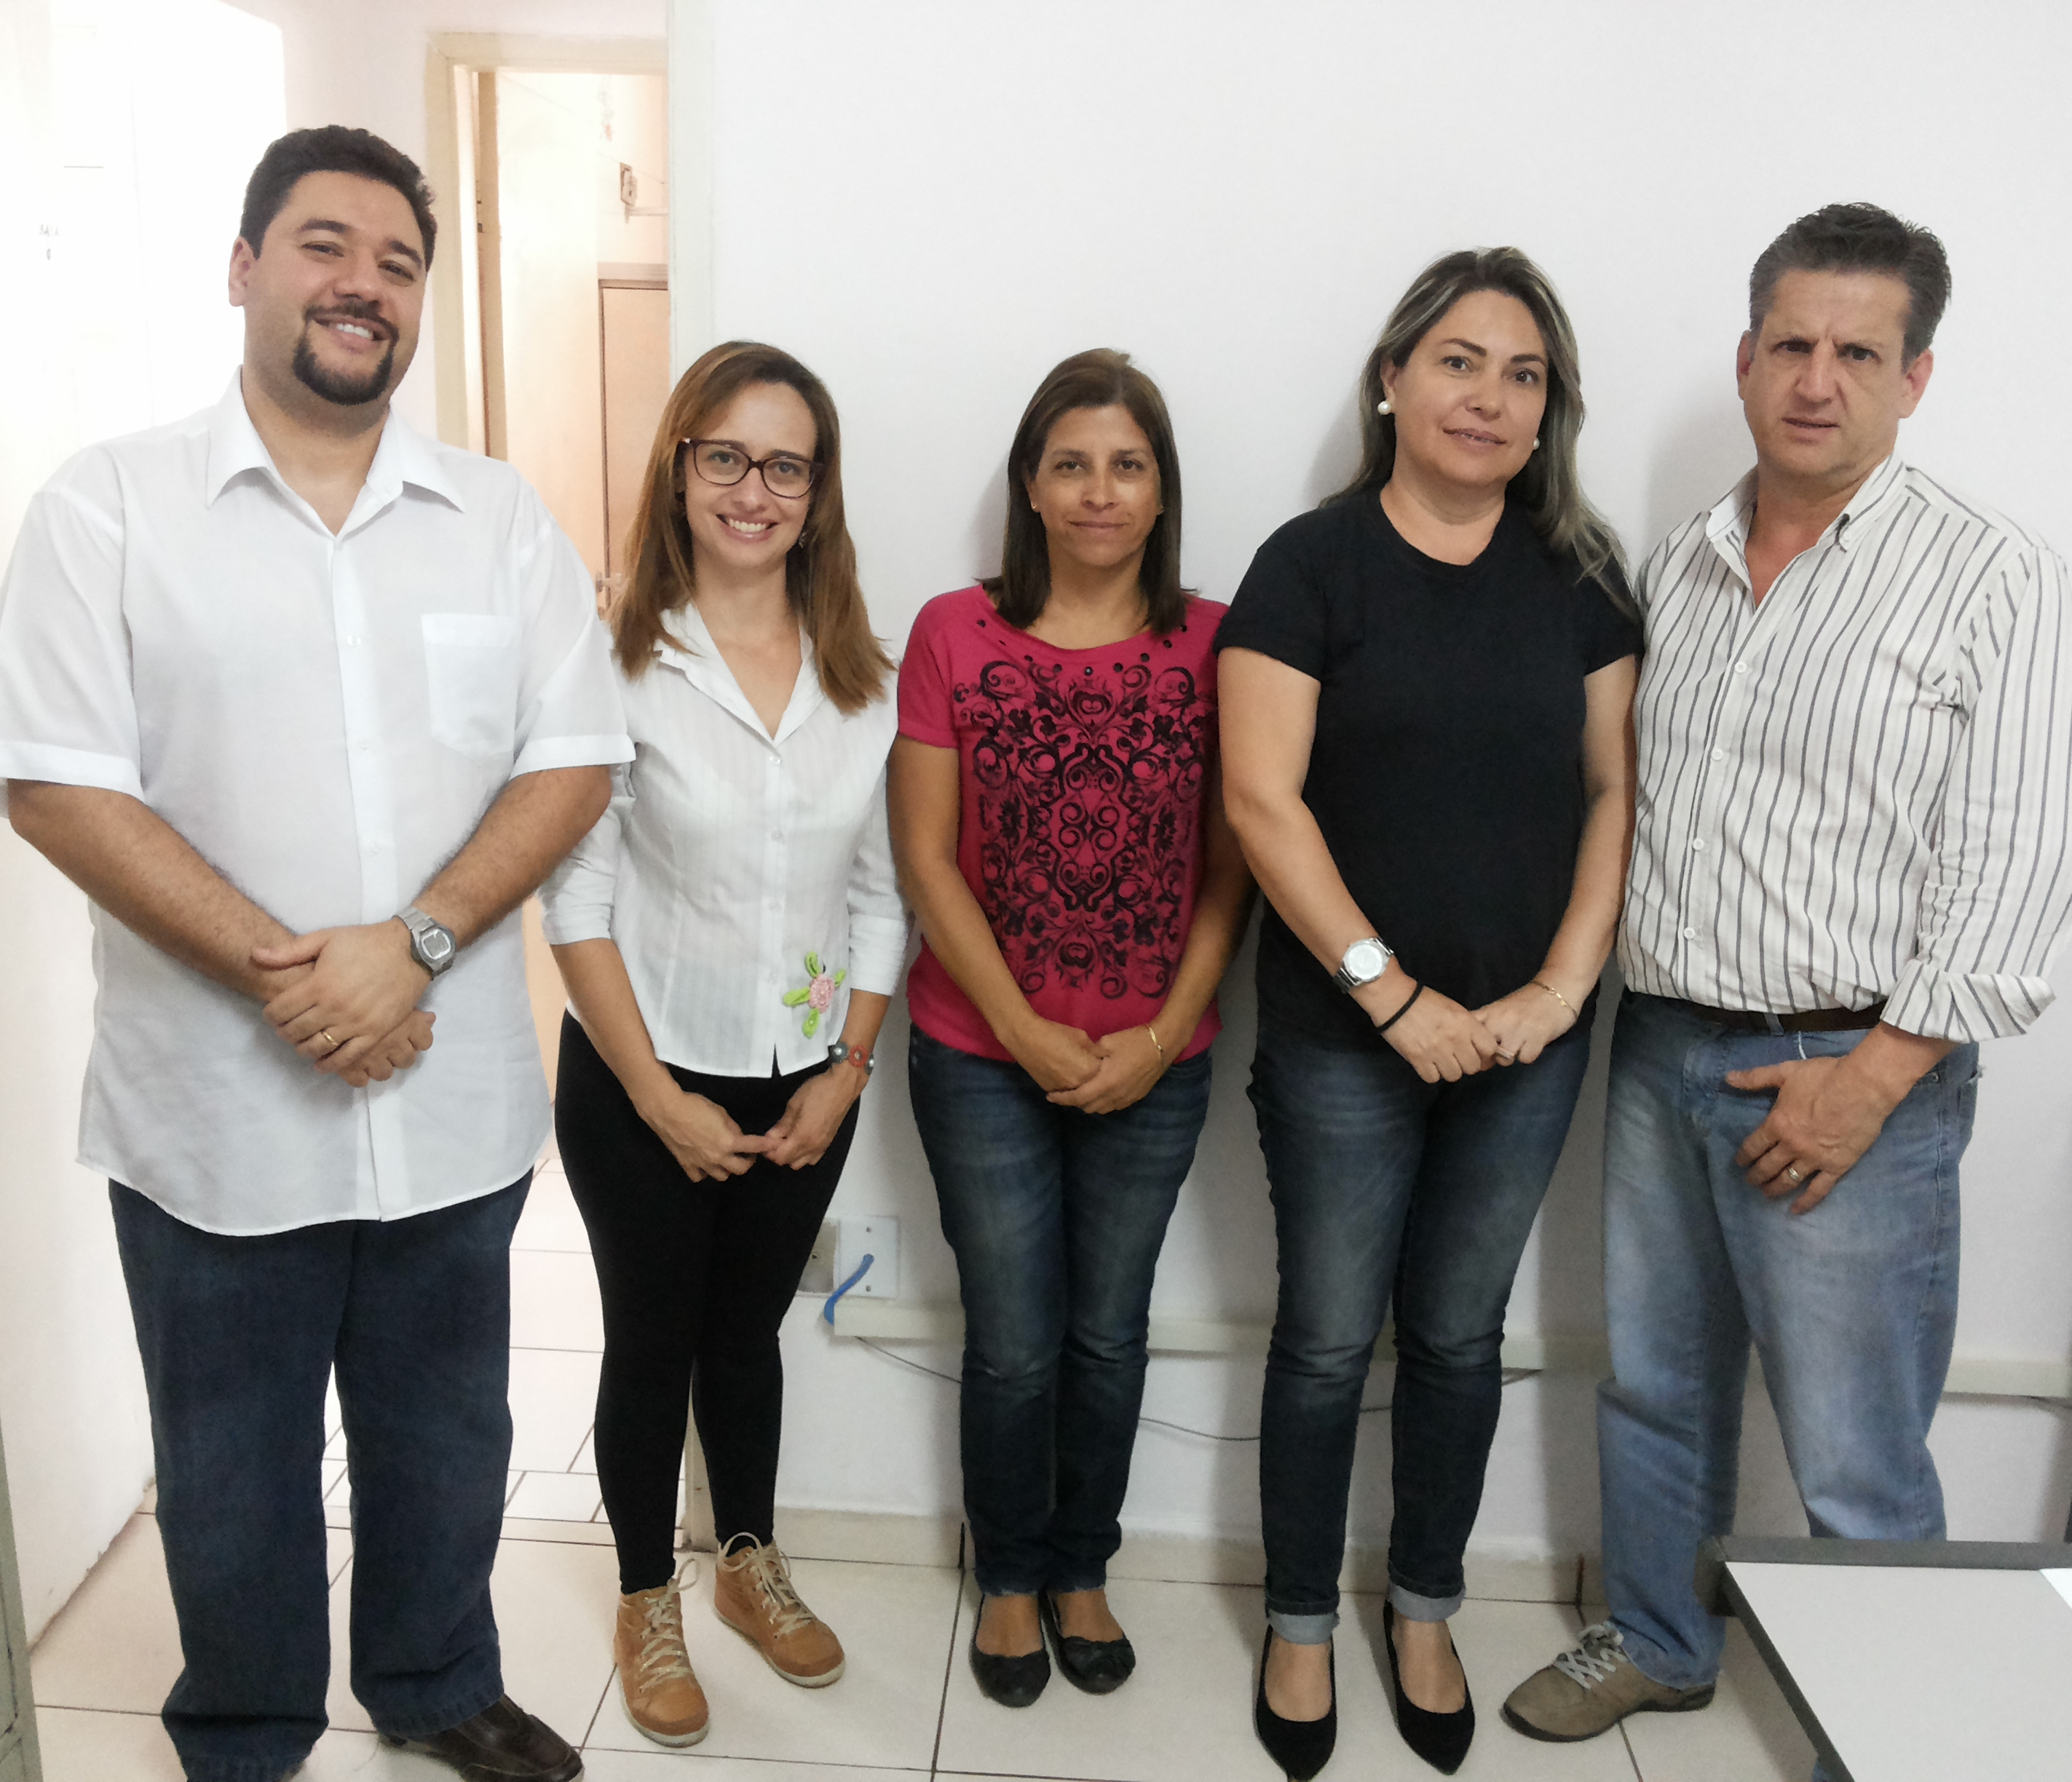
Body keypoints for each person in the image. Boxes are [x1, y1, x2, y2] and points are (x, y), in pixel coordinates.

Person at [0, 127, 624, 1781]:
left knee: (447, 1434)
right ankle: (249, 1730)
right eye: (326, 245)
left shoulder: (496, 519)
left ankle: (435, 1679)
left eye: (398, 263)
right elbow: (56, 783)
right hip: (213, 1119)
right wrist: (307, 978)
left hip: (449, 1106)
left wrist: (414, 947)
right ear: (245, 267)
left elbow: (574, 757)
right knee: (229, 1466)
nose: (364, 285)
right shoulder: (109, 507)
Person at [1500, 204, 2072, 1758]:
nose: (1818, 379)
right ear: (1746, 357)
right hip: (1663, 1047)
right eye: (1792, 343)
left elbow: (2022, 870)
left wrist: (1871, 1083)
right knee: (1654, 1386)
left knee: (1851, 1445)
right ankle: (1657, 1641)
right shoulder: (1684, 566)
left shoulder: (1997, 581)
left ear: (1916, 378)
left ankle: (1896, 1728)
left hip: (1857, 1070)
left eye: (1859, 352)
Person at [1217, 248, 1640, 1778]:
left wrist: (1558, 990)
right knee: (1330, 1340)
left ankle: (1424, 1609)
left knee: (1461, 1337)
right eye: (1461, 361)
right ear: (1392, 379)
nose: (1490, 397)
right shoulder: (1308, 565)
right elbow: (1261, 802)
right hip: (1345, 1040)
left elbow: (1616, 792)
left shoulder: (1581, 576)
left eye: (1525, 376)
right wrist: (1391, 998)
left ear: (1549, 412)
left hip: (1524, 1046)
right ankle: (1299, 1623)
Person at [539, 341, 906, 1749]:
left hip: (806, 1081)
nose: (755, 491)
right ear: (680, 469)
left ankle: (747, 1560)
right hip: (642, 1073)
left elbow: (881, 896)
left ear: (819, 493)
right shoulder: (613, 659)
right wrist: (659, 1098)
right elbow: (574, 904)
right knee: (651, 1343)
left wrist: (847, 1072)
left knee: (746, 1338)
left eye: (786, 466)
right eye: (727, 458)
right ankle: (648, 1598)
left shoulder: (861, 679)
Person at [890, 349, 1254, 1708]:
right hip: (979, 1056)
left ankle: (1082, 1565)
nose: (1100, 491)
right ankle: (1008, 1576)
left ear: (1162, 492)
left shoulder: (1218, 643)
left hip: (1158, 1063)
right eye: (1072, 464)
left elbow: (1234, 869)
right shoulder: (953, 631)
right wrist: (1025, 1030)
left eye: (1128, 465)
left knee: (1109, 1331)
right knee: (1014, 1337)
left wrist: (1159, 1038)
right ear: (1031, 488)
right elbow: (927, 861)